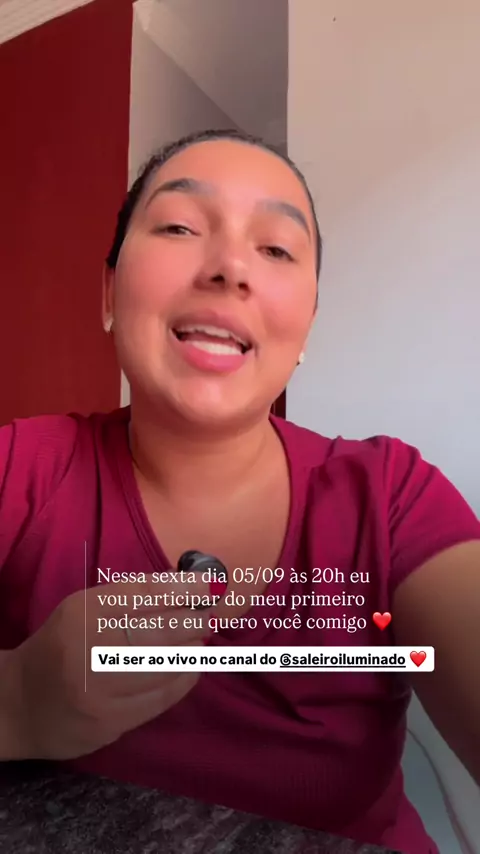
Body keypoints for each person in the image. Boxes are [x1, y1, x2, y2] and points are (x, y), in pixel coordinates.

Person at [0, 128, 479, 854]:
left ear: (307, 325)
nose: (229, 268)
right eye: (180, 227)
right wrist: (16, 702)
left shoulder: (389, 498)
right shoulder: (18, 469)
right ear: (108, 293)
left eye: (277, 249)